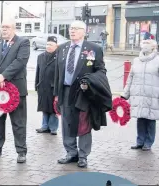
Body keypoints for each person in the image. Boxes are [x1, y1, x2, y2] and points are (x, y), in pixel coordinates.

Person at [53, 20, 112, 168]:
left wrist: (90, 80)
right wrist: (56, 94)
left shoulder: (94, 49)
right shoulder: (62, 48)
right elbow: (57, 73)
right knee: (66, 122)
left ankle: (83, 155)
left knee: (83, 123)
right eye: (71, 28)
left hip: (83, 92)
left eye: (76, 29)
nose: (72, 31)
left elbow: (101, 70)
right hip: (65, 91)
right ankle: (71, 152)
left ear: (84, 32)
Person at [0, 18, 30, 163]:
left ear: (14, 29)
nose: (4, 29)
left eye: (7, 27)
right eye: (2, 27)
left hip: (16, 90)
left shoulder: (23, 43)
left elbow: (20, 62)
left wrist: (3, 76)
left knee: (18, 122)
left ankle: (21, 151)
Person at [122, 39, 159, 151]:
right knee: (140, 119)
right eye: (144, 44)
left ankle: (148, 142)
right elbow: (130, 78)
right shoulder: (137, 60)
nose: (145, 46)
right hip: (138, 94)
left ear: (154, 47)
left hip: (153, 95)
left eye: (148, 44)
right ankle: (140, 141)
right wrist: (125, 94)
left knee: (151, 119)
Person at [35, 36, 59, 135]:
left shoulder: (59, 57)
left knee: (54, 108)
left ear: (56, 46)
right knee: (44, 107)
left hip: (54, 88)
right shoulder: (40, 57)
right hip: (43, 86)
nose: (48, 46)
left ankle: (53, 128)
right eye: (47, 44)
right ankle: (45, 126)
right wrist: (37, 85)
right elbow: (38, 72)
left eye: (51, 45)